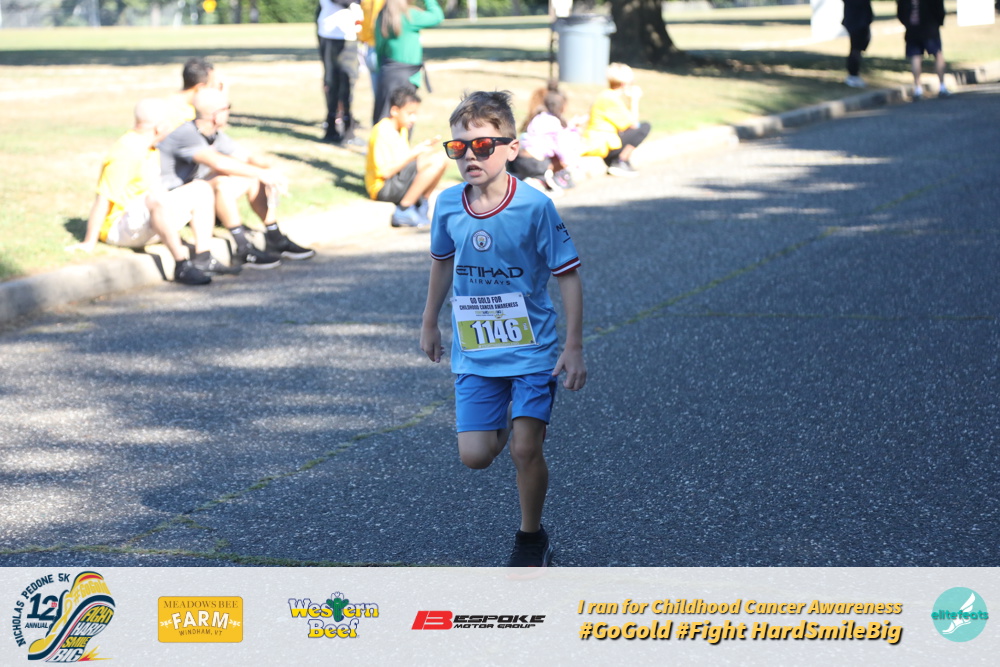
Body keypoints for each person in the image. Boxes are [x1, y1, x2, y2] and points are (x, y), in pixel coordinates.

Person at [420, 91, 587, 569]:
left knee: (525, 448)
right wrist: (429, 321)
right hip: (476, 351)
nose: (470, 156)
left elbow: (568, 275)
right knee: (474, 455)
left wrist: (573, 346)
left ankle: (531, 538)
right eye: (458, 147)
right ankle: (503, 417)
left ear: (512, 149)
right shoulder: (447, 204)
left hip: (532, 349)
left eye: (482, 146)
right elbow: (441, 263)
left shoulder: (535, 207)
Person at [71, 98, 231, 285]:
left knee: (201, 188)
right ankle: (181, 264)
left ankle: (203, 257)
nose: (173, 127)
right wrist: (89, 242)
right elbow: (103, 199)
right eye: (170, 123)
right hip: (119, 230)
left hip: (144, 221)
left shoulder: (150, 147)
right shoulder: (126, 152)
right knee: (155, 200)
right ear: (160, 127)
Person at [158, 88, 315, 269]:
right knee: (223, 182)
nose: (229, 112)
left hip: (198, 196)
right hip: (171, 201)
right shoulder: (187, 134)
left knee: (250, 177)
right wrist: (261, 173)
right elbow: (218, 163)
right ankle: (243, 247)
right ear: (215, 114)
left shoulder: (213, 134)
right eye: (227, 108)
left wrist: (269, 170)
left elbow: (246, 157)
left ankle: (274, 236)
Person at [365, 85, 448, 227]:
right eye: (410, 113)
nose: (413, 119)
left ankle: (421, 205)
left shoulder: (402, 129)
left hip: (397, 180)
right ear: (395, 111)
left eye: (415, 114)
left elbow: (404, 162)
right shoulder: (382, 131)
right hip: (382, 188)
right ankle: (404, 210)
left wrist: (423, 149)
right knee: (435, 161)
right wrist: (414, 153)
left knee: (441, 157)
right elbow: (385, 172)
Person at [372, 0, 443, 126]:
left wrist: (380, 72)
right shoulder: (410, 15)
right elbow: (437, 16)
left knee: (384, 117)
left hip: (388, 74)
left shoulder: (383, 16)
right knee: (405, 119)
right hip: (407, 76)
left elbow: (379, 49)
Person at [581, 62, 651, 177]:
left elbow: (625, 123)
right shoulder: (611, 99)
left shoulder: (606, 95)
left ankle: (619, 161)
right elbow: (633, 124)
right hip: (603, 143)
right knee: (644, 127)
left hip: (604, 140)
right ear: (624, 84)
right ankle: (620, 161)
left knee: (639, 127)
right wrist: (634, 99)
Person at [509, 87, 582, 193]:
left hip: (519, 159)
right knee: (560, 163)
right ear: (563, 106)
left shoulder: (539, 117)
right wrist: (570, 163)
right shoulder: (555, 122)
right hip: (536, 163)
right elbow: (562, 148)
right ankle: (538, 181)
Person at [318, 0, 364, 145]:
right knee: (335, 82)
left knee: (348, 81)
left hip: (347, 34)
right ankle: (334, 127)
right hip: (333, 35)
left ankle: (346, 127)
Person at [896, 0, 949, 99]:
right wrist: (939, 21)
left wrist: (907, 22)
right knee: (937, 54)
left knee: (915, 57)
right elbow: (939, 8)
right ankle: (942, 86)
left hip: (913, 28)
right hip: (930, 26)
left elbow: (900, 11)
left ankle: (918, 88)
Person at [163, 57, 223, 133]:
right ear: (200, 87)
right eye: (212, 86)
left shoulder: (167, 102)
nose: (214, 91)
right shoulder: (186, 115)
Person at [843, 0, 874, 88]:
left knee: (860, 46)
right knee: (856, 48)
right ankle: (853, 74)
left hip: (861, 19)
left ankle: (854, 73)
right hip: (856, 20)